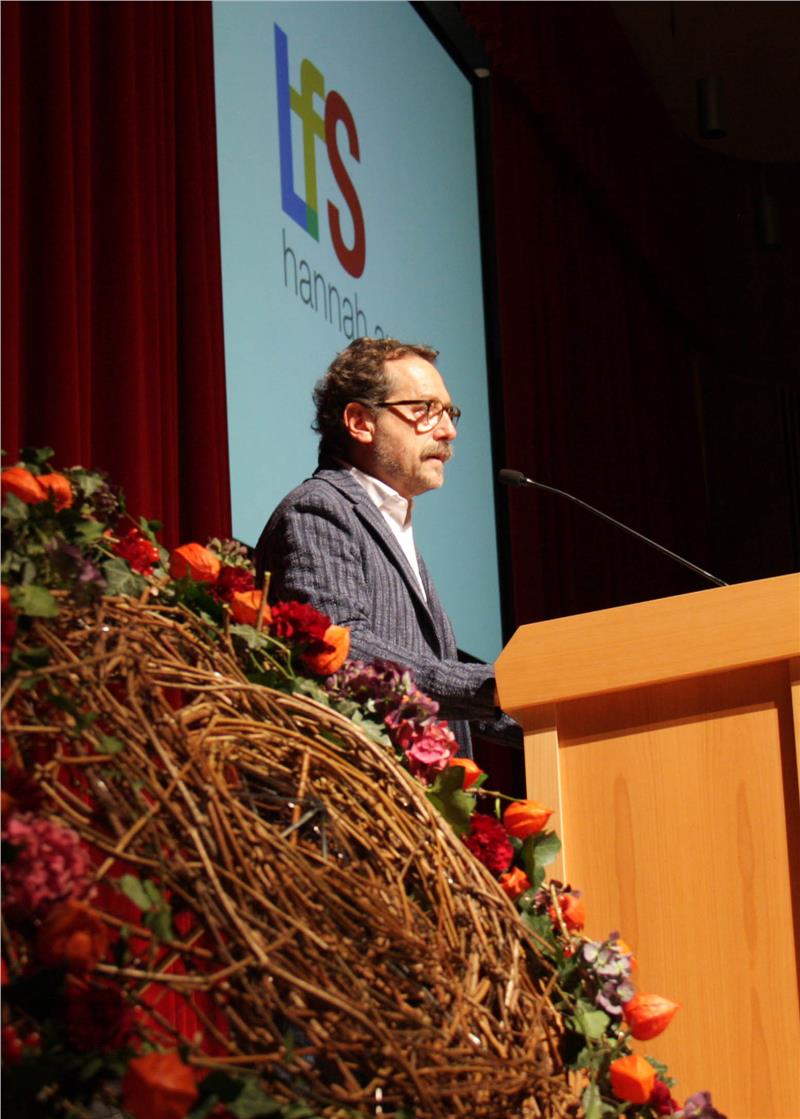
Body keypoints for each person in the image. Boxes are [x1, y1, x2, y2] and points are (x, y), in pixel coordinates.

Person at [255, 336, 515, 758]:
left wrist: (548, 702)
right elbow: (342, 649)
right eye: (424, 410)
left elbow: (434, 680)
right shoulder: (319, 510)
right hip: (355, 782)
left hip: (413, 790)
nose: (448, 431)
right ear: (360, 422)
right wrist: (493, 687)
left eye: (449, 413)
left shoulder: (393, 523)